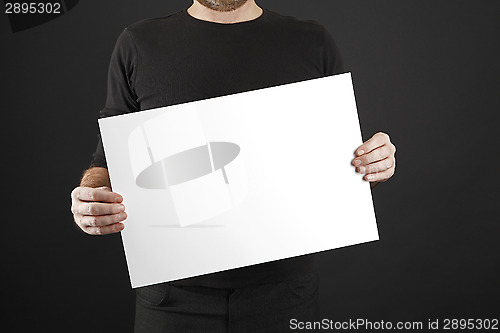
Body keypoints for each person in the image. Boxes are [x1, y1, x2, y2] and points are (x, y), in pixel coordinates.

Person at [71, 0, 396, 331]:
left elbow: (345, 159)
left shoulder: (312, 42)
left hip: (284, 296)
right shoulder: (138, 43)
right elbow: (106, 161)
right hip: (172, 301)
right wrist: (92, 194)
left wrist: (375, 164)